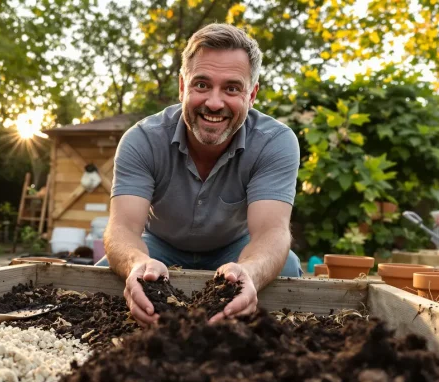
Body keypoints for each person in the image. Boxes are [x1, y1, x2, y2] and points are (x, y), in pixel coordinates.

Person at [96, 23, 301, 326]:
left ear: (252, 94)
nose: (214, 103)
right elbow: (122, 229)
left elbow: (272, 232)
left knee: (288, 267)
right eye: (202, 85)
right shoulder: (142, 140)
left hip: (235, 248)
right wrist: (138, 263)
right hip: (159, 247)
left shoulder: (275, 142)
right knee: (101, 278)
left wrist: (250, 271)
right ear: (182, 87)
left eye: (231, 88)